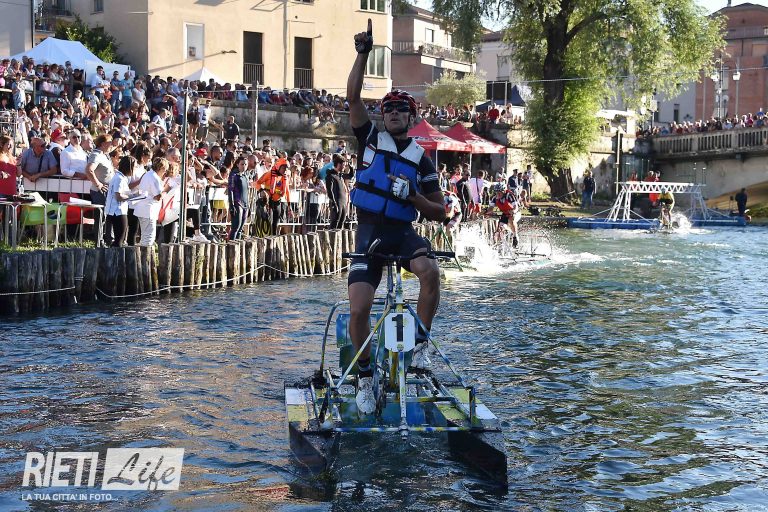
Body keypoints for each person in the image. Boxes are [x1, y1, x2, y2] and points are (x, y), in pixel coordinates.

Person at [347, 19, 446, 414]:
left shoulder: (422, 160)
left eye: (400, 109)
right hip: (369, 232)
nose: (391, 113)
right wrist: (362, 54)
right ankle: (365, 377)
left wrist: (415, 197)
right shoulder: (370, 138)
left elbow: (440, 212)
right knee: (358, 309)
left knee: (430, 271)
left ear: (411, 117)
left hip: (402, 232)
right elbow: (353, 98)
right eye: (387, 108)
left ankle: (419, 346)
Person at [104, 155, 137, 247]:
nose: (135, 169)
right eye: (134, 167)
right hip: (117, 212)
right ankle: (115, 256)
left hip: (117, 211)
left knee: (119, 240)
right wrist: (132, 196)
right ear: (129, 167)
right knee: (119, 240)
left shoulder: (121, 177)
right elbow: (118, 196)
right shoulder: (119, 178)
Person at [484, 183, 521, 248]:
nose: (498, 194)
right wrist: (485, 212)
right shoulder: (495, 198)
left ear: (504, 191)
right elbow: (491, 208)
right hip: (505, 213)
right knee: (500, 228)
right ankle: (500, 245)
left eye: (499, 192)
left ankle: (515, 237)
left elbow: (516, 207)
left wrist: (513, 211)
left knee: (511, 219)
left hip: (516, 213)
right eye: (496, 192)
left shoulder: (509, 195)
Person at [326, 154, 351, 229]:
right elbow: (329, 191)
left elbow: (351, 175)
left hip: (343, 203)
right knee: (334, 224)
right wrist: (334, 203)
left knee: (341, 223)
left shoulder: (340, 176)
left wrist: (350, 167)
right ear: (339, 164)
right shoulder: (331, 176)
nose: (344, 167)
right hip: (337, 202)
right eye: (343, 165)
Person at [228, 155, 250, 240]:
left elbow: (247, 191)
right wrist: (231, 205)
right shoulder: (234, 175)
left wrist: (248, 205)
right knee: (235, 227)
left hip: (245, 203)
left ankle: (237, 246)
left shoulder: (245, 176)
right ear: (237, 165)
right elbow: (230, 190)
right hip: (237, 203)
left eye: (245, 164)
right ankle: (231, 246)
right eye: (242, 164)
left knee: (240, 229)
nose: (244, 166)